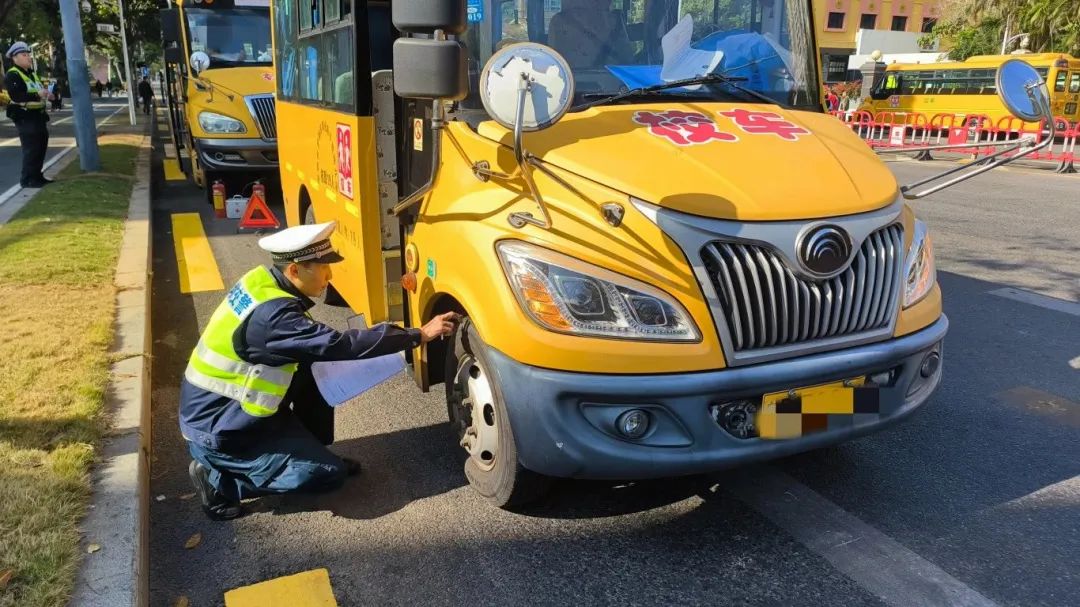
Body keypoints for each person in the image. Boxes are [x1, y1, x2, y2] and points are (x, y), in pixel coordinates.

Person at [181, 220, 459, 520]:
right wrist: (418, 335)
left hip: (233, 411)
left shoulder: (264, 282)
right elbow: (340, 345)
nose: (330, 275)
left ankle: (308, 452)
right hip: (220, 431)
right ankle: (218, 482)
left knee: (314, 371)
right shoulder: (274, 317)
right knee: (327, 474)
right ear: (294, 270)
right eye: (323, 267)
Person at [4, 42, 52, 188]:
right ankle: (28, 180)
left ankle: (37, 176)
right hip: (24, 116)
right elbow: (17, 96)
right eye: (24, 55)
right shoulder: (13, 74)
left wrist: (47, 94)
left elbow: (37, 91)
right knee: (32, 148)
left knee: (41, 146)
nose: (28, 57)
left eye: (28, 55)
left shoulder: (31, 74)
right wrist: (37, 95)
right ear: (15, 58)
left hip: (38, 115)